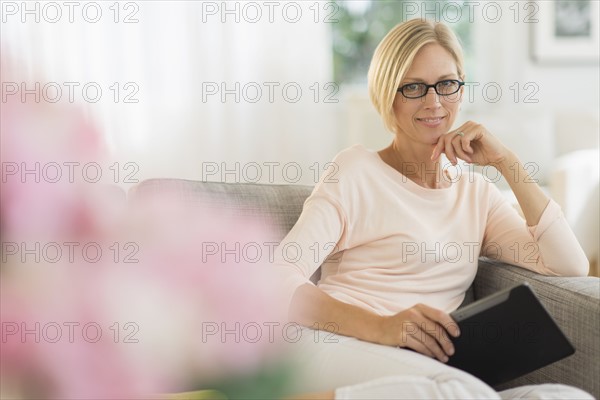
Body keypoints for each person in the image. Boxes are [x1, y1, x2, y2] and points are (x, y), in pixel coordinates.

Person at [273, 19, 593, 399]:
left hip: (426, 370)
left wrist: (507, 162)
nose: (434, 102)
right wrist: (382, 327)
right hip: (336, 346)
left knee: (565, 397)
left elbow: (569, 264)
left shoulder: (476, 193)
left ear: (461, 86)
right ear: (387, 94)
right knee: (453, 388)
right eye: (413, 87)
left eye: (446, 84)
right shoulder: (355, 171)